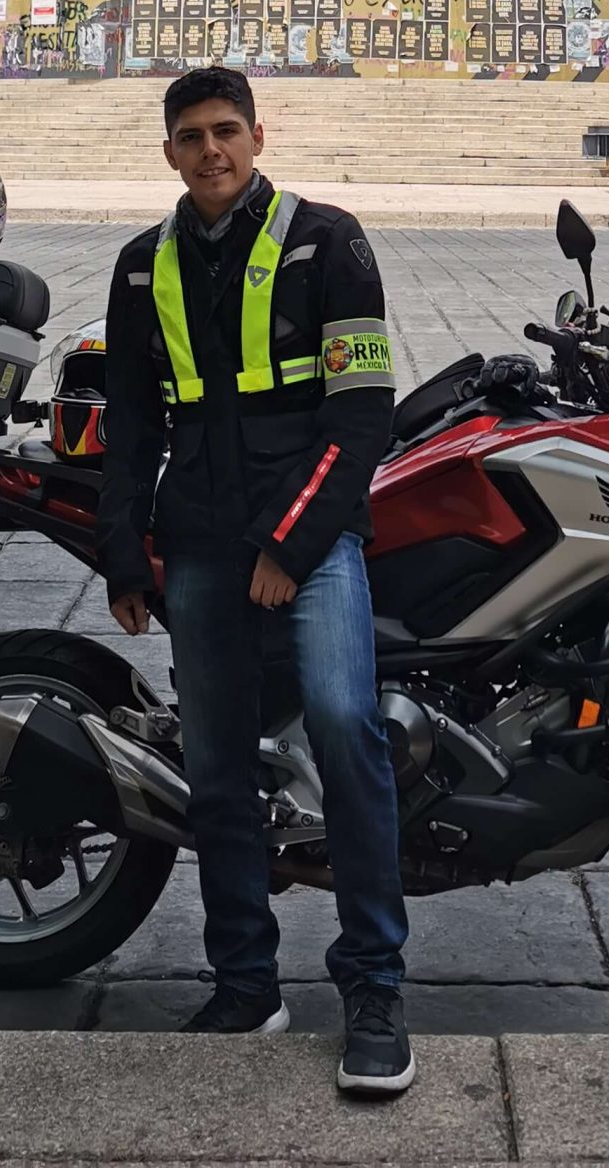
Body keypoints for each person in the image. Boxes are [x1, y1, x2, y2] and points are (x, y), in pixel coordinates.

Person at [96, 66, 413, 1096]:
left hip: (307, 539)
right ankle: (246, 985)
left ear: (259, 134)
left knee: (342, 721)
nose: (211, 151)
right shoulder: (143, 266)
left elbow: (362, 412)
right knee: (219, 767)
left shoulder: (330, 240)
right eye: (190, 137)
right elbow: (136, 426)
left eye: (226, 130)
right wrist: (124, 548)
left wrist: (290, 544)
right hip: (195, 542)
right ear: (169, 154)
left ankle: (373, 988)